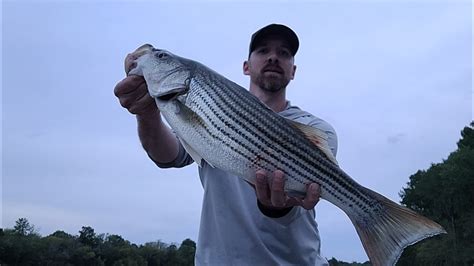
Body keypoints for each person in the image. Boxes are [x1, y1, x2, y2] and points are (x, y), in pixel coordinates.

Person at [114, 23, 337, 265]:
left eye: (284, 53)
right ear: (246, 66)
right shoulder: (209, 107)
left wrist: (278, 208)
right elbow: (168, 156)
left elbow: (301, 193)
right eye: (263, 50)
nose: (273, 57)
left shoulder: (317, 131)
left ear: (293, 70)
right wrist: (147, 113)